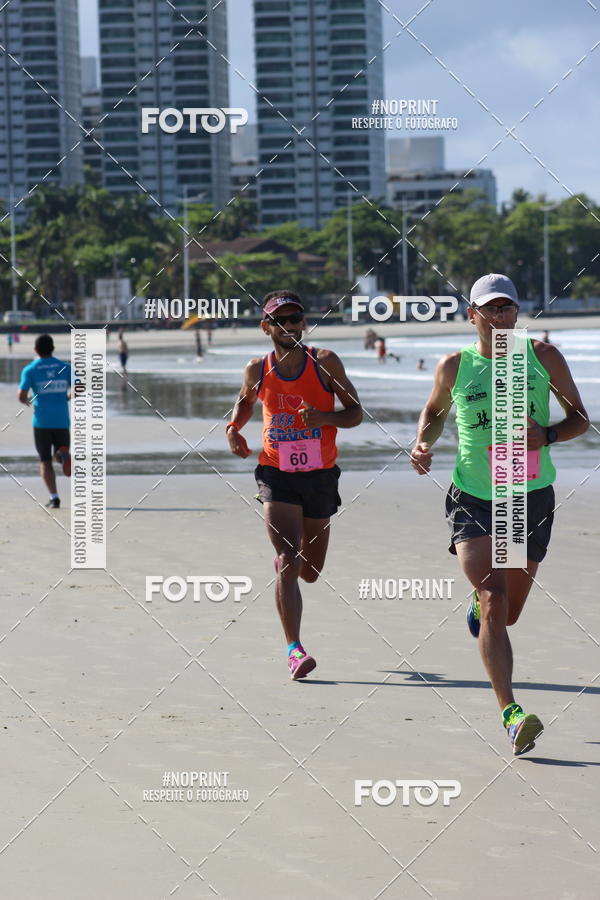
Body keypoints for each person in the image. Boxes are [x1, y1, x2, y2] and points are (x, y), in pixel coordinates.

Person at [410, 273, 589, 755]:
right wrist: (423, 440)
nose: (501, 317)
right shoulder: (454, 366)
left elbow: (580, 419)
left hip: (528, 496)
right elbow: (433, 410)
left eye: (508, 308)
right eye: (490, 309)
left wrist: (546, 435)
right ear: (472, 315)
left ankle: (480, 605)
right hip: (474, 496)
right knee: (493, 598)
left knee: (508, 611)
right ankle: (511, 713)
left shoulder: (542, 357)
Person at [227, 291, 363, 680]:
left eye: (295, 319)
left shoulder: (324, 363)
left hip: (320, 475)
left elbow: (355, 413)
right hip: (276, 472)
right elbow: (244, 402)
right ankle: (294, 649)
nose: (289, 326)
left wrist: (322, 418)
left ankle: (292, 565)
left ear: (304, 323)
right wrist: (233, 428)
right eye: (280, 320)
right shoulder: (257, 369)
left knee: (311, 571)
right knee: (288, 559)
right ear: (266, 326)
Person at [18, 334, 72, 509]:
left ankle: (54, 497)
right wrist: (68, 396)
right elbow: (80, 386)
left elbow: (21, 395)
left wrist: (26, 400)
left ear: (35, 350)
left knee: (44, 461)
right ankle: (62, 455)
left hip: (41, 422)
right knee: (58, 453)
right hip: (62, 420)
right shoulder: (65, 367)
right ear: (53, 349)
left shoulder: (31, 369)